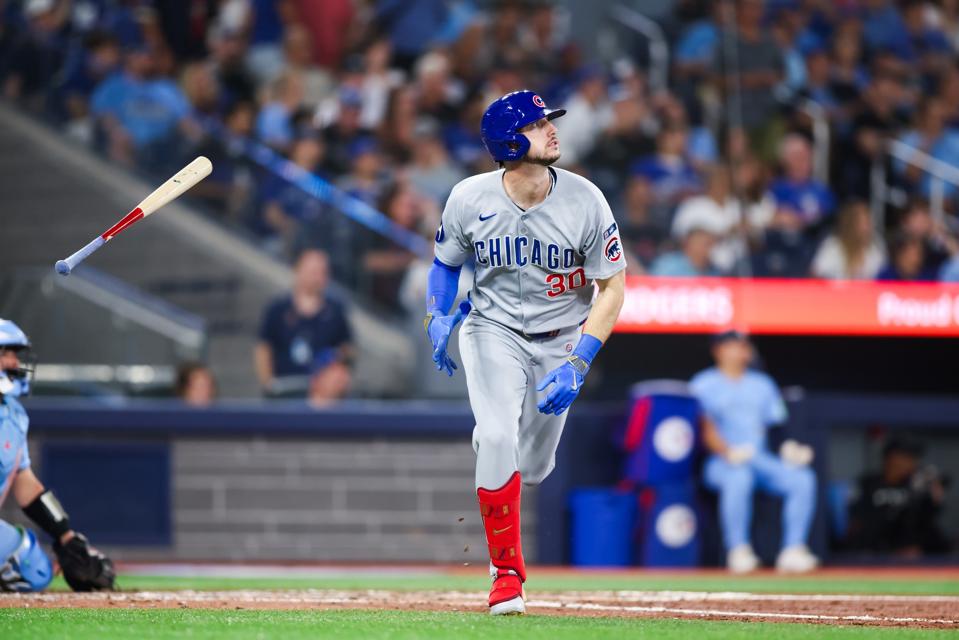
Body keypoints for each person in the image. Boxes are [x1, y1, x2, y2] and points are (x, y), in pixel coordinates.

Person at [423, 90, 626, 614]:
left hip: (560, 338)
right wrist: (438, 312)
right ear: (510, 141)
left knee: (532, 468)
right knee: (496, 437)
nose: (553, 129)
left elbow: (614, 288)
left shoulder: (586, 199)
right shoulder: (470, 196)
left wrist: (579, 360)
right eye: (539, 124)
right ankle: (507, 575)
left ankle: (497, 446)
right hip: (492, 330)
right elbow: (446, 263)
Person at [0, 318, 116, 592]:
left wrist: (65, 535)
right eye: (5, 353)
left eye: (15, 354)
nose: (15, 363)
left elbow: (25, 482)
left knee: (34, 570)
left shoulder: (13, 415)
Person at [691, 329, 818, 574]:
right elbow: (703, 428)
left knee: (803, 479)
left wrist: (789, 447)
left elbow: (778, 426)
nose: (740, 350)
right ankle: (738, 550)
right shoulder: (703, 383)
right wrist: (727, 451)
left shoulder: (762, 384)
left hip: (760, 459)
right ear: (718, 350)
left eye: (743, 345)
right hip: (722, 462)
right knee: (739, 477)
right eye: (733, 345)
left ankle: (793, 549)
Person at [254, 250, 353, 398]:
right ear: (298, 271)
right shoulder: (278, 309)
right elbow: (263, 349)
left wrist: (335, 365)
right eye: (313, 271)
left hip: (322, 395)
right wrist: (268, 384)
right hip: (284, 389)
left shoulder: (336, 311)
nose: (317, 277)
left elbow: (347, 350)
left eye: (322, 272)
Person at [845, 438, 951, 556]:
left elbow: (926, 523)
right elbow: (860, 522)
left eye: (915, 457)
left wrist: (933, 500)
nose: (913, 462)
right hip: (875, 554)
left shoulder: (915, 485)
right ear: (892, 458)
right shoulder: (868, 483)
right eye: (908, 457)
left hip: (913, 555)